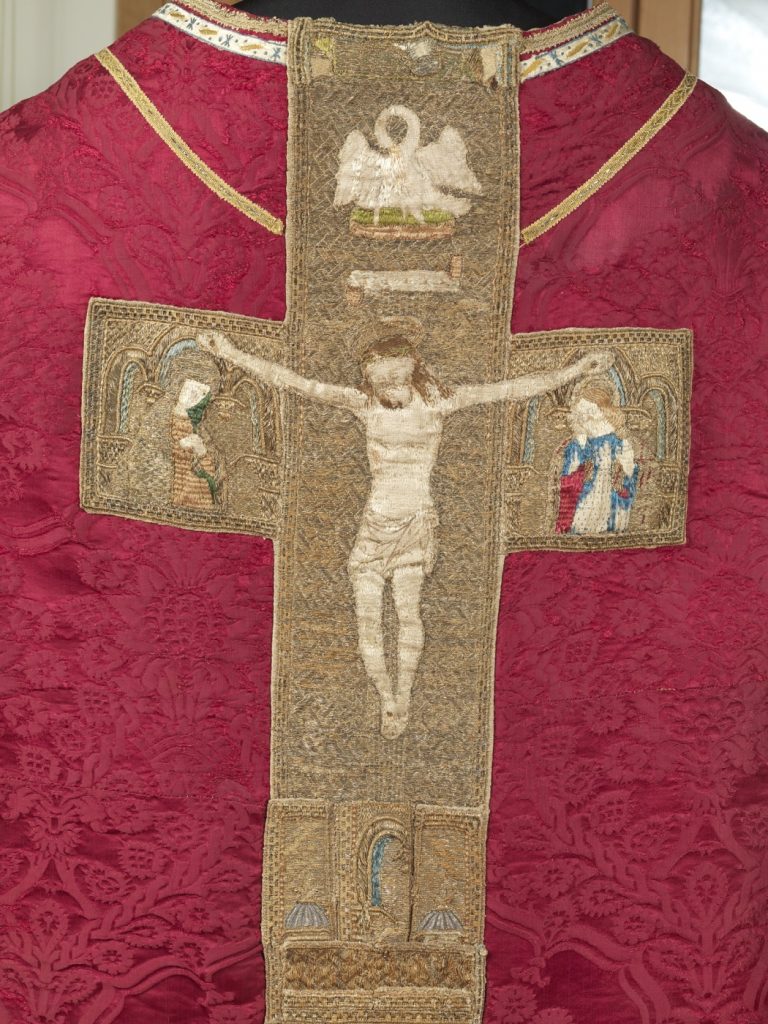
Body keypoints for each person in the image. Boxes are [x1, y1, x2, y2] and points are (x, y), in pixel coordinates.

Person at [197, 328, 614, 736]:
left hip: (415, 523)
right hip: (374, 527)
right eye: (380, 382)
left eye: (395, 379)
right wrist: (231, 353)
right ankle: (387, 698)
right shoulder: (364, 403)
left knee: (407, 613)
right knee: (367, 620)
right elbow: (297, 383)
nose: (389, 389)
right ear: (371, 380)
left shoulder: (437, 403)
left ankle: (404, 696)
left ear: (411, 371)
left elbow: (510, 389)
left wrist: (575, 370)